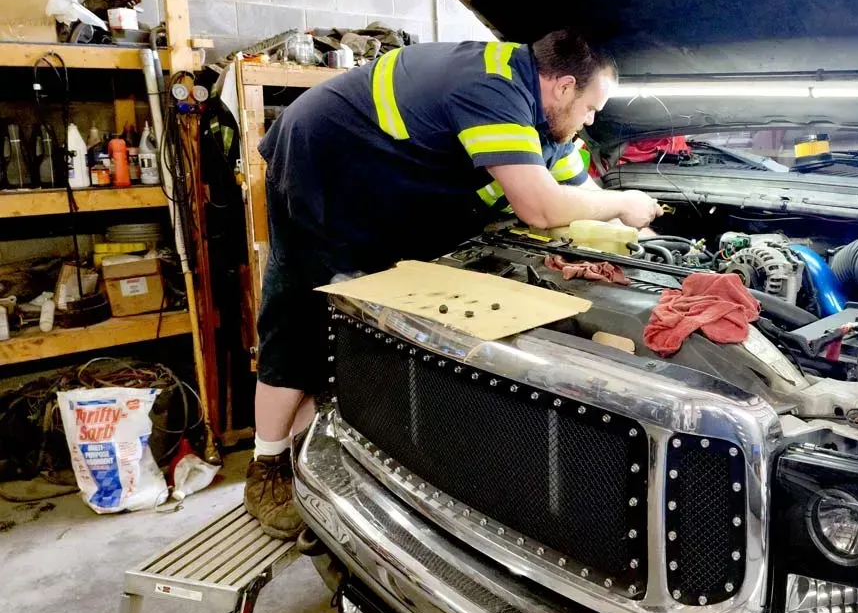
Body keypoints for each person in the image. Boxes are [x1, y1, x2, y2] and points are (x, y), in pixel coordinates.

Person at [244, 29, 662, 537]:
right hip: (321, 162)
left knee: (368, 314)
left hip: (381, 188)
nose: (591, 122)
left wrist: (646, 239)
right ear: (563, 87)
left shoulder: (544, 123)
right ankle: (266, 464)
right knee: (300, 314)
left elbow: (579, 195)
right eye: (591, 108)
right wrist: (624, 201)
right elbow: (542, 207)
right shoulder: (492, 86)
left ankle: (325, 438)